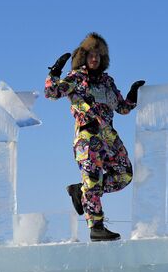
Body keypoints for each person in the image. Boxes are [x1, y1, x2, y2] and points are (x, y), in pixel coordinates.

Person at [44, 32, 145, 242]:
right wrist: (55, 71)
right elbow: (51, 92)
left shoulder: (108, 82)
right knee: (92, 179)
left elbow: (122, 108)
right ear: (84, 56)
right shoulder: (76, 78)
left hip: (109, 138)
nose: (95, 58)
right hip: (88, 136)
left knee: (124, 175)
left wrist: (133, 94)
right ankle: (96, 226)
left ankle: (80, 191)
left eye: (99, 55)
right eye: (91, 54)